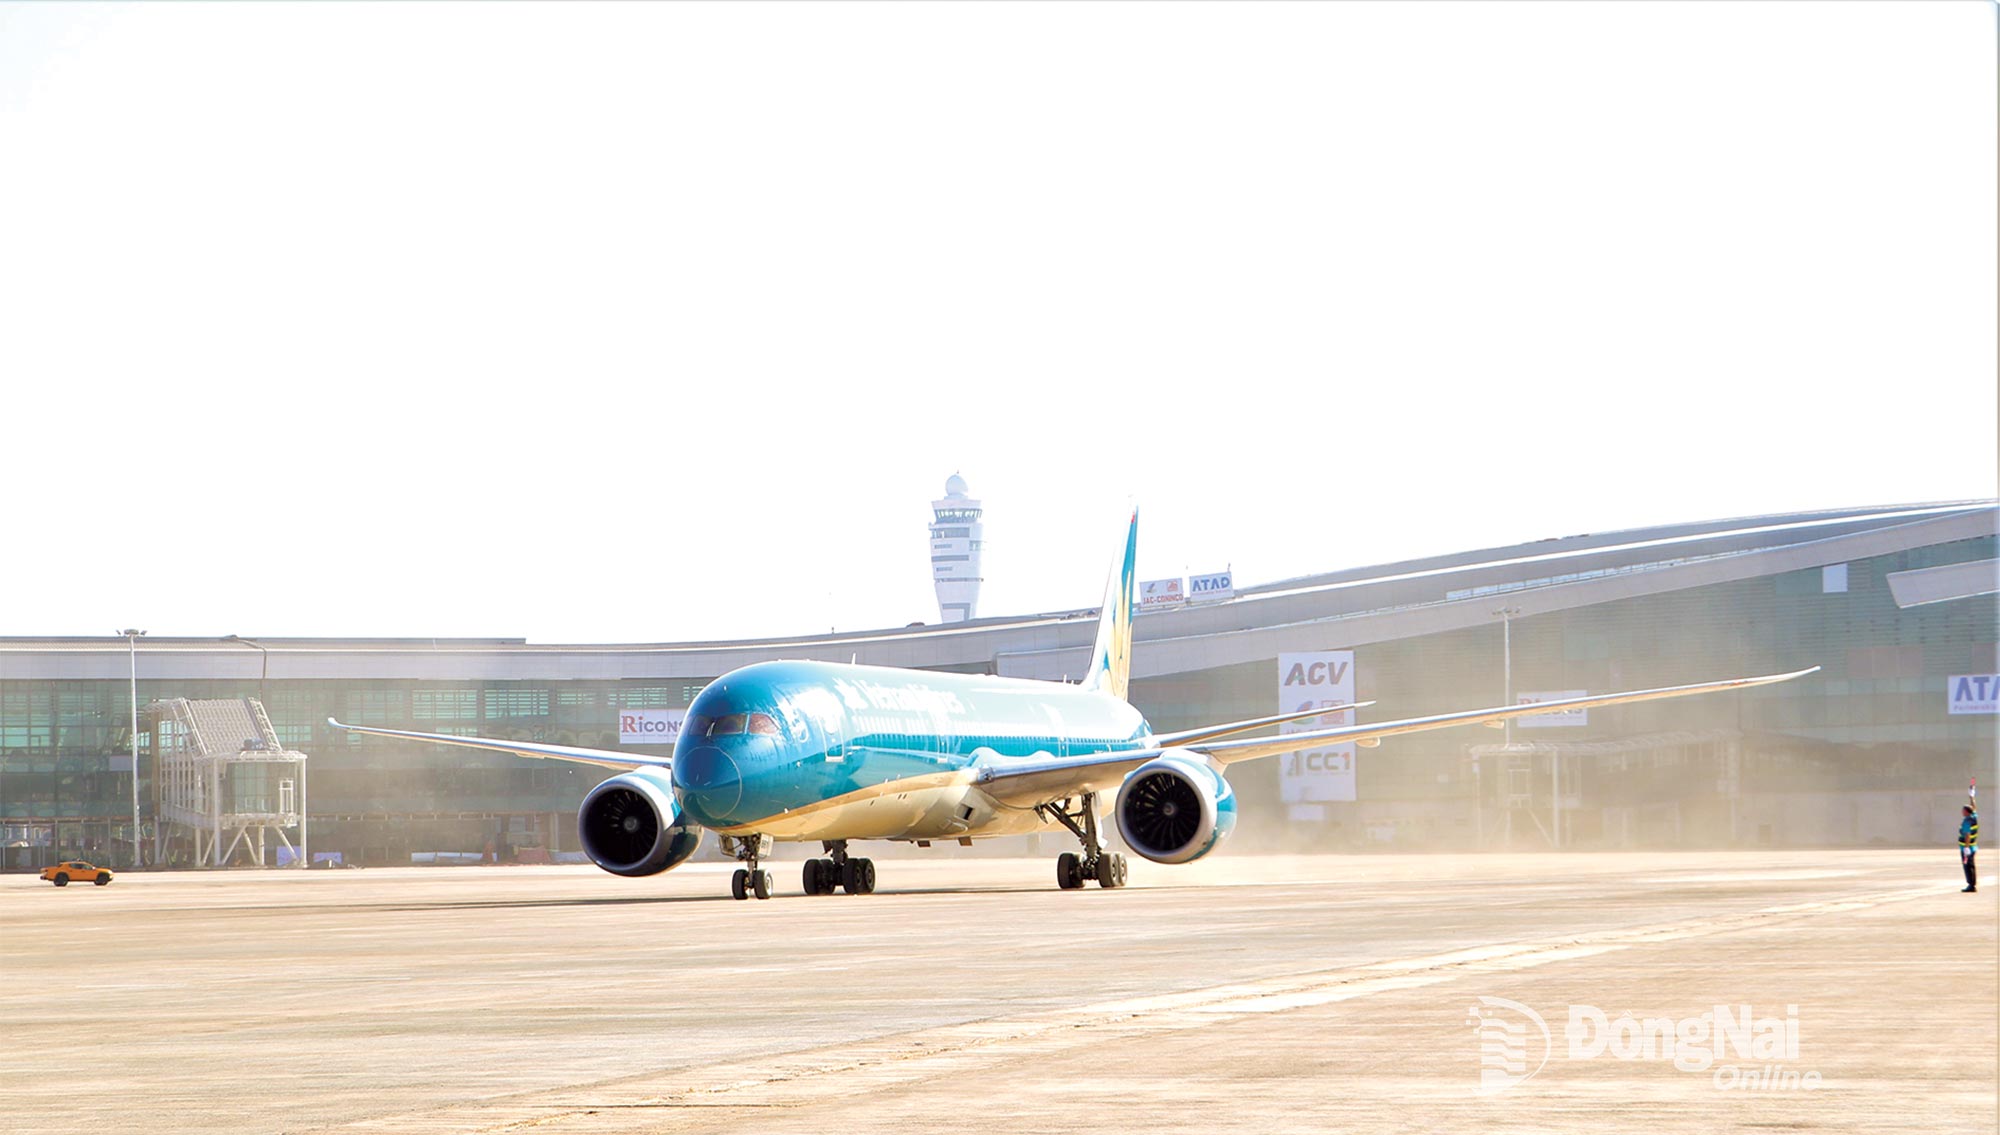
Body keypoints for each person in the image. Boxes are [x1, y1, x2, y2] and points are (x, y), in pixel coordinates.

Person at [1959, 804, 1979, 893]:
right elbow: (1974, 808)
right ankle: (1972, 884)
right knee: (1971, 866)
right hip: (1973, 846)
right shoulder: (1973, 817)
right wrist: (1972, 796)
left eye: (1963, 810)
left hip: (1967, 848)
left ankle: (1971, 885)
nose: (1962, 812)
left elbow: (1967, 834)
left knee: (1967, 866)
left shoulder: (1967, 821)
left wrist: (1966, 848)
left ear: (1966, 812)